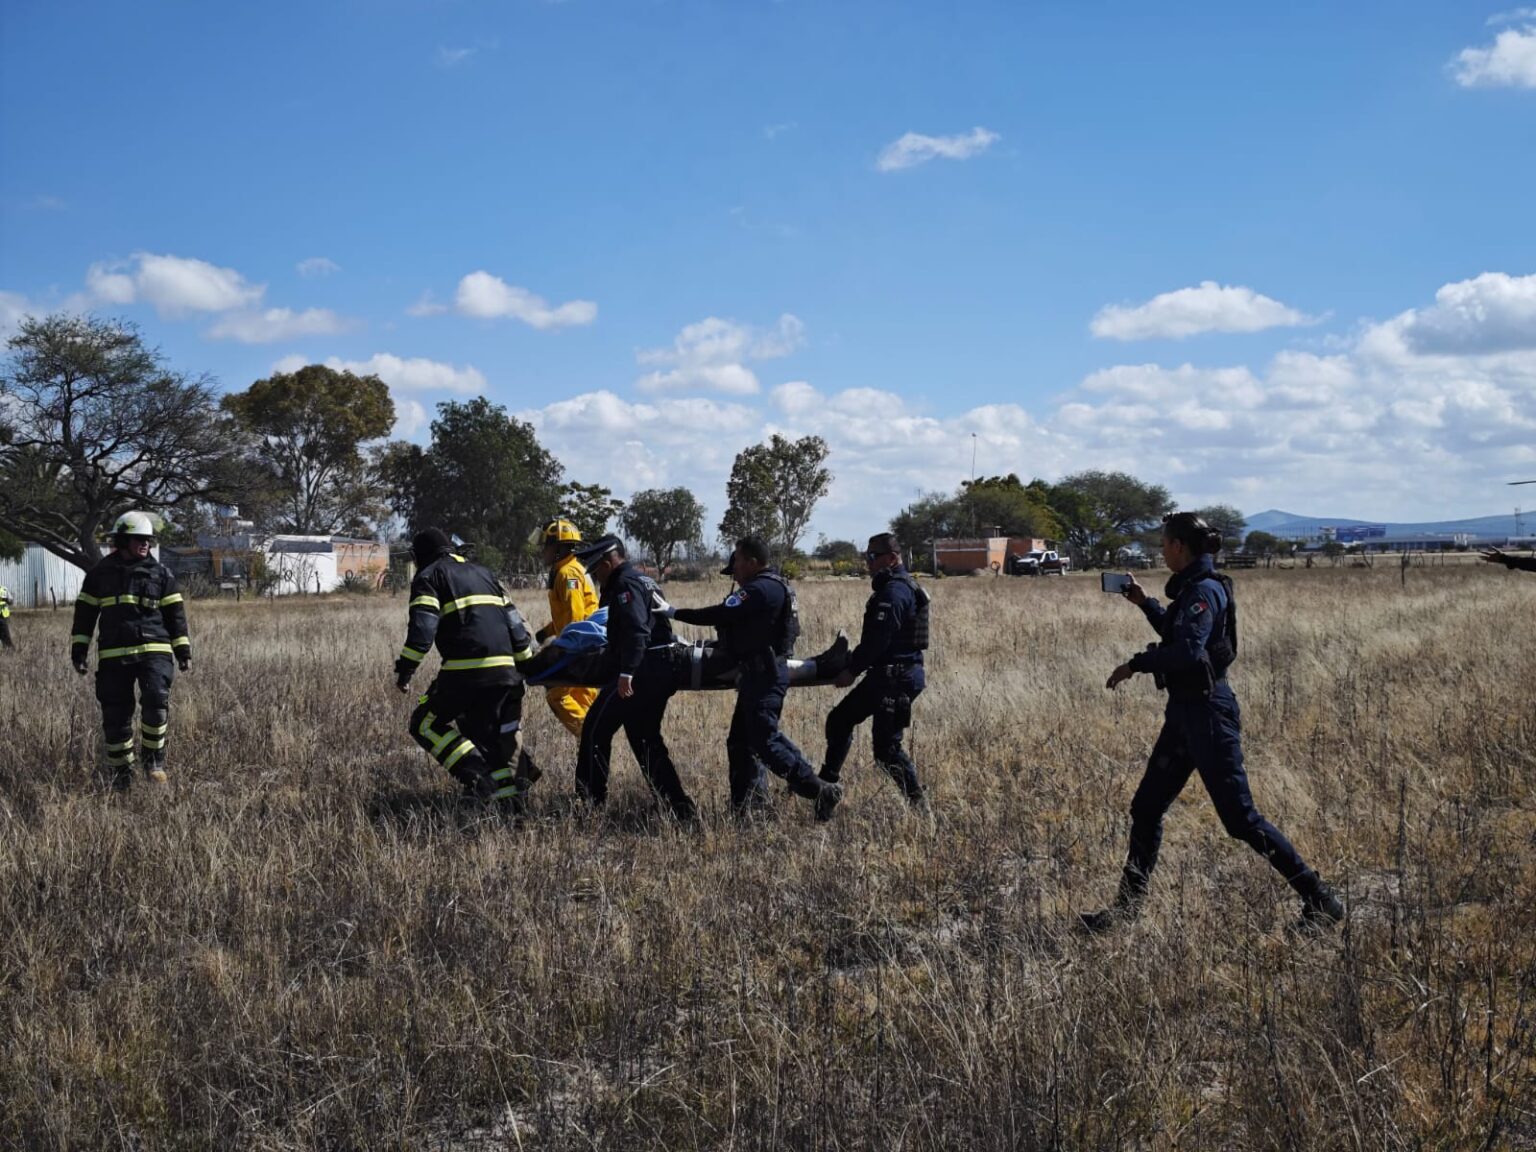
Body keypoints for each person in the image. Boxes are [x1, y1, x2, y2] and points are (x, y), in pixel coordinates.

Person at [1081, 512, 1344, 933]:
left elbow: (1186, 650)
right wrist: (1145, 603)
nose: (1161, 550)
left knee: (1241, 820)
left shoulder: (1204, 591)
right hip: (1185, 714)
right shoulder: (1192, 589)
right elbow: (1178, 631)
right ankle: (1126, 910)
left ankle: (1320, 899)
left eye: (1165, 543)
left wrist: (1136, 664)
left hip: (1208, 714)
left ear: (1180, 547)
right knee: (1146, 808)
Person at [665, 536, 840, 821]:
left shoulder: (761, 589)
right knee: (741, 742)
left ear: (752, 562)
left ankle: (819, 790)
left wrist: (675, 613)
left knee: (764, 741)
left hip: (764, 675)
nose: (734, 567)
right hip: (757, 673)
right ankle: (747, 809)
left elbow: (721, 613)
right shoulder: (772, 586)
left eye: (738, 560)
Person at [395, 528, 538, 805]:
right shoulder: (485, 573)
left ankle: (480, 778)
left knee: (424, 723)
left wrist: (406, 669)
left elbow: (423, 629)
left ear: (418, 556)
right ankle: (511, 805)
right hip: (507, 672)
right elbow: (515, 624)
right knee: (485, 733)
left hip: (466, 672)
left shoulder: (428, 576)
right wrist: (525, 666)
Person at [570, 535, 697, 823]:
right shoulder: (644, 580)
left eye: (596, 571)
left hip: (641, 670)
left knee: (594, 730)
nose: (596, 578)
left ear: (607, 562)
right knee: (644, 738)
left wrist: (626, 672)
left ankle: (589, 802)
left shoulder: (625, 584)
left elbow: (637, 631)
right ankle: (679, 808)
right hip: (661, 667)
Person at [69, 511, 191, 784]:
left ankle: (153, 761)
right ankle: (122, 775)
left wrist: (182, 651)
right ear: (123, 541)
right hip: (113, 653)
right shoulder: (100, 574)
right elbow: (85, 614)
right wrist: (79, 649)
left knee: (156, 700)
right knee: (116, 714)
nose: (146, 544)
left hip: (154, 649)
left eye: (148, 539)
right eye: (139, 539)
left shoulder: (161, 574)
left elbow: (176, 615)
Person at [819, 532, 930, 808]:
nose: (868, 562)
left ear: (892, 559)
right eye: (866, 556)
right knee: (840, 720)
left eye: (872, 557)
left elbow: (878, 640)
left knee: (887, 750)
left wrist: (852, 671)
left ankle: (920, 807)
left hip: (896, 678)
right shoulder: (895, 587)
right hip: (888, 676)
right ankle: (826, 789)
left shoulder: (896, 591)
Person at [534, 518, 601, 737]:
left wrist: (561, 650)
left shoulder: (567, 574)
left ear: (558, 548)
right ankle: (594, 745)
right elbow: (565, 617)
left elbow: (574, 617)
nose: (542, 551)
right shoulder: (568, 569)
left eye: (546, 545)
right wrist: (543, 634)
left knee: (556, 694)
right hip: (588, 646)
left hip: (581, 647)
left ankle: (590, 739)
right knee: (584, 698)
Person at [0, 582, 13, 650]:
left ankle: (9, 648)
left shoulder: (4, 589)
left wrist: (6, 600)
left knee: (5, 633)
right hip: (3, 616)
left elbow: (11, 601)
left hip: (3, 616)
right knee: (4, 633)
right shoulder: (4, 589)